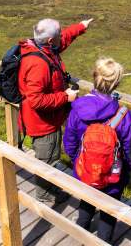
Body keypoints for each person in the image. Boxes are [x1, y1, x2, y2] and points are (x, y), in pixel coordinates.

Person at [18, 17, 93, 204]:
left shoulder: (41, 48)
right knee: (47, 160)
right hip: (43, 124)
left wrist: (80, 27)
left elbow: (64, 38)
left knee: (50, 156)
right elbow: (36, 100)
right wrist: (65, 97)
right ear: (51, 41)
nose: (62, 36)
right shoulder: (39, 64)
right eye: (59, 34)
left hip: (46, 119)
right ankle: (45, 198)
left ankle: (50, 189)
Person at [63, 57, 131, 242]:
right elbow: (130, 151)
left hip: (84, 172)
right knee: (108, 215)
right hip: (112, 178)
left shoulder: (77, 108)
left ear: (95, 76)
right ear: (116, 82)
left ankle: (81, 234)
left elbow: (69, 142)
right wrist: (124, 171)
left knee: (86, 204)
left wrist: (78, 161)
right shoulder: (123, 115)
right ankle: (103, 241)